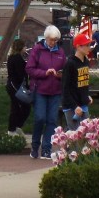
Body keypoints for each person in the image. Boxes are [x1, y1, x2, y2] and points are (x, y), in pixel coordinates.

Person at [26, 25, 67, 160]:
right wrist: (44, 73)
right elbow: (30, 69)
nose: (53, 42)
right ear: (46, 38)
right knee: (40, 118)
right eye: (51, 40)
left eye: (55, 40)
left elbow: (65, 70)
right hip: (40, 90)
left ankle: (46, 149)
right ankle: (35, 146)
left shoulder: (60, 52)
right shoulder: (37, 50)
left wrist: (60, 74)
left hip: (55, 90)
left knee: (51, 120)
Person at [61, 32, 94, 130]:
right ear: (78, 47)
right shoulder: (70, 64)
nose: (89, 48)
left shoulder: (86, 61)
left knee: (87, 132)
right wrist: (74, 106)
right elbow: (65, 88)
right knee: (75, 134)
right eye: (87, 45)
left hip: (83, 104)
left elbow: (84, 83)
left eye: (90, 45)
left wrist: (87, 96)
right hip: (72, 106)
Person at [5, 38, 31, 136]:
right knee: (22, 107)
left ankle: (15, 127)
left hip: (12, 86)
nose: (25, 48)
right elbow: (21, 74)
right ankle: (12, 129)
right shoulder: (17, 58)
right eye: (24, 46)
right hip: (15, 87)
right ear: (21, 47)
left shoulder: (12, 57)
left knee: (17, 107)